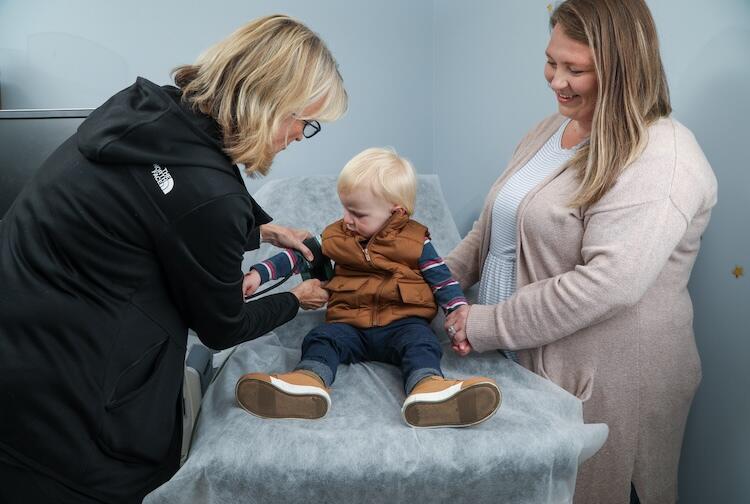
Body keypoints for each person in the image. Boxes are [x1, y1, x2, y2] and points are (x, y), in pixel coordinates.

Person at [0, 15, 347, 504]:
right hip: (68, 413)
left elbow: (168, 192)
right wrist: (296, 299)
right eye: (304, 121)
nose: (298, 135)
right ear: (270, 103)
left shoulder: (145, 109)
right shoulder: (208, 199)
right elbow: (222, 326)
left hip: (18, 336)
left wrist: (263, 225)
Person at [442, 1, 717, 503]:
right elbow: (493, 229)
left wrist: (484, 325)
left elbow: (609, 282)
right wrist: (435, 284)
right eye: (552, 61)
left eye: (576, 69)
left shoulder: (661, 157)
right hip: (521, 364)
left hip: (609, 385)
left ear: (622, 69)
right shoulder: (552, 130)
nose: (556, 81)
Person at [235, 147, 502, 428]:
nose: (347, 219)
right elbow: (298, 254)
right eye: (345, 209)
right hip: (350, 324)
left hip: (403, 323)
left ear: (395, 213)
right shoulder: (338, 235)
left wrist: (458, 311)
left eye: (358, 214)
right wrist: (258, 275)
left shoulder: (416, 241)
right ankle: (307, 382)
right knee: (322, 339)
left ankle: (429, 390)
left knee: (422, 344)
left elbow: (443, 280)